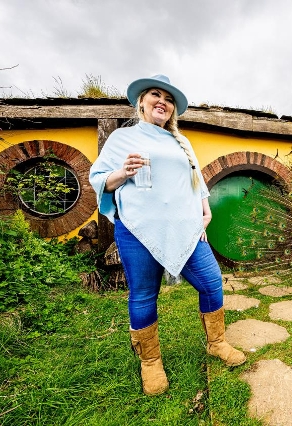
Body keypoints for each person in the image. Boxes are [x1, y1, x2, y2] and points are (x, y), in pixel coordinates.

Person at [89, 74, 246, 396]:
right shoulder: (122, 138)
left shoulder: (181, 142)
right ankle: (150, 362)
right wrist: (122, 173)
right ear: (141, 103)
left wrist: (205, 211)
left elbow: (196, 179)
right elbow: (99, 178)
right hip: (138, 228)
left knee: (211, 282)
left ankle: (216, 343)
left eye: (169, 98)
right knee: (144, 293)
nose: (163, 101)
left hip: (184, 226)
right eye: (155, 95)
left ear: (173, 109)